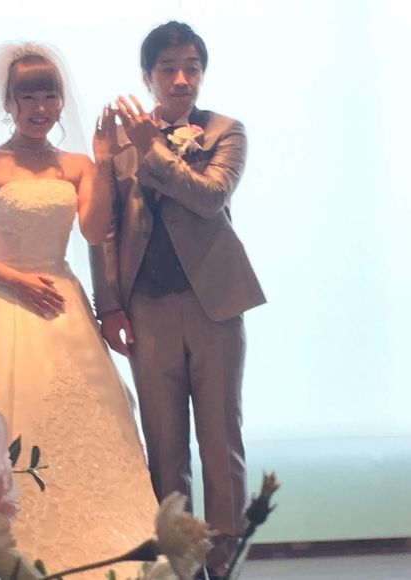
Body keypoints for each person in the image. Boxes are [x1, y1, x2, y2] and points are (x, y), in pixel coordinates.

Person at [0, 43, 157, 577]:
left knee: (79, 423)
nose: (40, 107)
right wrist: (16, 279)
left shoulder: (77, 165)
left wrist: (104, 164)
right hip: (3, 300)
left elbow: (94, 232)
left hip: (62, 305)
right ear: (8, 103)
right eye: (28, 97)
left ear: (60, 102)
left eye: (49, 96)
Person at [90, 22, 266, 579]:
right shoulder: (117, 142)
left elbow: (210, 198)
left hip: (216, 302)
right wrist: (108, 305)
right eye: (168, 68)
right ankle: (178, 562)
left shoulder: (225, 131)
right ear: (148, 76)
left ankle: (224, 562)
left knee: (221, 439)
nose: (181, 78)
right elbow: (105, 229)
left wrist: (152, 148)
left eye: (191, 67)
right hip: (147, 307)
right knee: (164, 444)